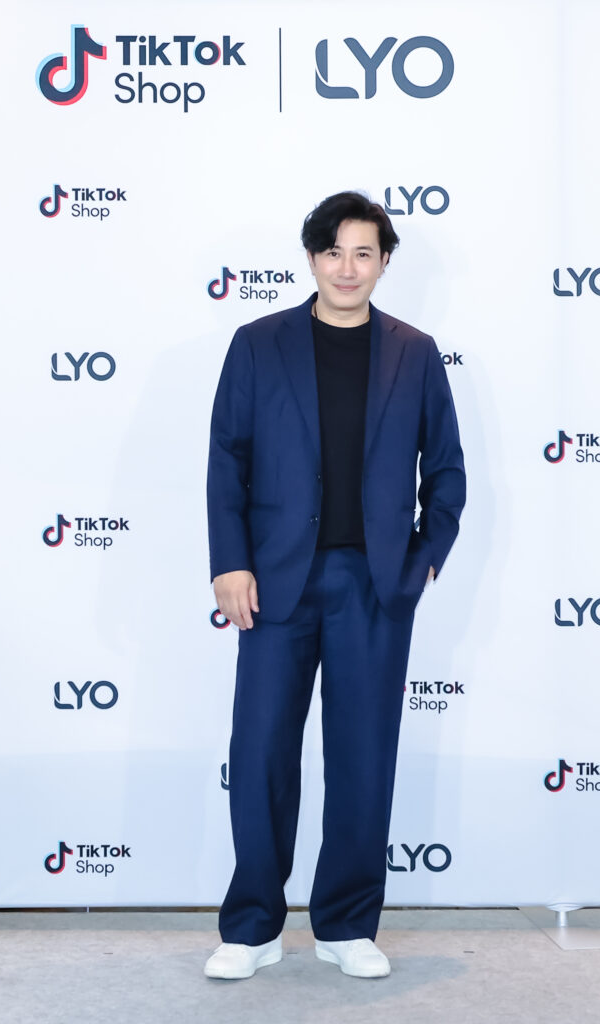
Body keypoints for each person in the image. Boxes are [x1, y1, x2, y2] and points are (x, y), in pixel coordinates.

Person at [205, 191, 465, 980]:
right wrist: (229, 561)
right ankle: (251, 928)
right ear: (312, 258)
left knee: (362, 757)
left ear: (383, 263)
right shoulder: (258, 344)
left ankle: (346, 925)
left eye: (362, 253)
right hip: (275, 580)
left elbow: (445, 470)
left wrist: (423, 559)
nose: (346, 268)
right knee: (260, 752)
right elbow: (227, 460)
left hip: (374, 585)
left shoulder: (414, 352)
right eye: (332, 252)